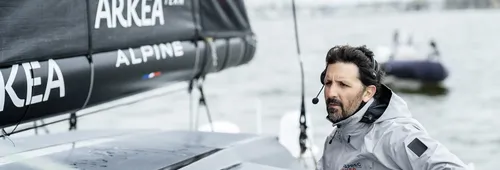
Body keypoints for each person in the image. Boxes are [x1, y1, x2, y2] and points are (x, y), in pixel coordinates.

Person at [314, 45, 470, 170]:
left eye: (343, 84)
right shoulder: (334, 140)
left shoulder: (396, 134)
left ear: (368, 93)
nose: (331, 92)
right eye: (328, 83)